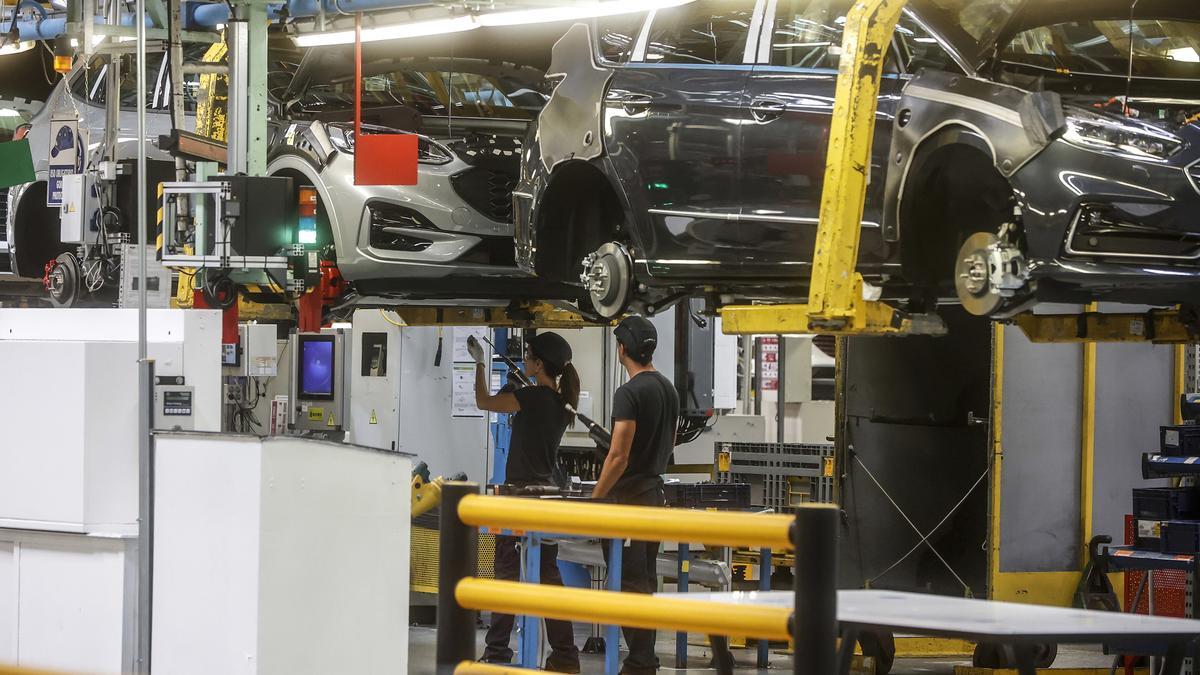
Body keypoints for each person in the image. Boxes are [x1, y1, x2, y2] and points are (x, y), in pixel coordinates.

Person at [468, 331, 581, 673]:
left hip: (518, 497)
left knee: (505, 572)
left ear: (540, 363)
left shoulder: (530, 398)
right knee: (548, 576)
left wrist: (479, 365)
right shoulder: (562, 403)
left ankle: (498, 652)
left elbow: (483, 402)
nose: (525, 359)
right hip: (544, 496)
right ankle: (565, 655)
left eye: (529, 355)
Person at [592, 315, 680, 675]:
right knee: (645, 579)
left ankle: (641, 662)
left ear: (622, 349)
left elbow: (618, 455)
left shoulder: (629, 393)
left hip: (628, 501)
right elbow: (670, 443)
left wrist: (596, 498)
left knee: (628, 582)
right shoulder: (668, 389)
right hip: (654, 496)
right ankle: (646, 658)